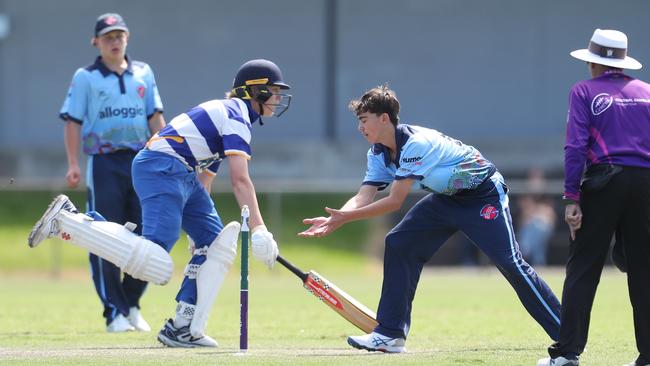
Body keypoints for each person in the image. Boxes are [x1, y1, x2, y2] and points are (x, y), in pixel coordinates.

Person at [29, 59, 288, 348]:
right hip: (161, 165)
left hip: (180, 171)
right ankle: (69, 220)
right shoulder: (236, 116)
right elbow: (240, 180)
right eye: (274, 91)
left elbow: (205, 179)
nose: (278, 99)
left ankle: (182, 327)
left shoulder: (231, 114)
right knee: (156, 260)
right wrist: (260, 229)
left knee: (214, 243)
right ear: (256, 90)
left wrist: (197, 232)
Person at [299, 85, 561, 353]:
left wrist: (346, 218)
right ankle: (390, 334)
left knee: (510, 263)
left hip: (482, 195)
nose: (360, 128)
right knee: (400, 243)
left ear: (384, 118)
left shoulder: (415, 144)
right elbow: (364, 195)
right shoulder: (377, 153)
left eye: (363, 120)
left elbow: (394, 201)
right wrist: (337, 217)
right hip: (446, 198)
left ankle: (566, 332)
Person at [538, 29, 650, 366]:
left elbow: (575, 146)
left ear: (593, 63)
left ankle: (567, 353)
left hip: (605, 181)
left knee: (583, 268)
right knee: (645, 270)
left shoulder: (584, 90)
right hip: (645, 183)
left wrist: (571, 197)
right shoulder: (647, 92)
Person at [59, 13, 165, 333]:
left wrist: (166, 155)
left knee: (146, 234)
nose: (115, 41)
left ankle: (131, 304)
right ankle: (113, 312)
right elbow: (73, 121)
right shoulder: (86, 77)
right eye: (108, 37)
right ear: (96, 42)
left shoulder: (144, 73)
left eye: (119, 36)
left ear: (127, 38)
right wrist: (74, 164)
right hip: (105, 164)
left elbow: (156, 117)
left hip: (142, 162)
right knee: (104, 236)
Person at [517, 168, 556, 266]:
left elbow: (550, 216)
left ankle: (525, 250)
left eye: (538, 179)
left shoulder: (548, 194)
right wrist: (539, 211)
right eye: (533, 179)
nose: (536, 182)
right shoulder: (525, 194)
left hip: (544, 228)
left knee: (539, 226)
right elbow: (525, 216)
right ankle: (539, 264)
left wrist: (535, 211)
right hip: (527, 228)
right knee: (533, 226)